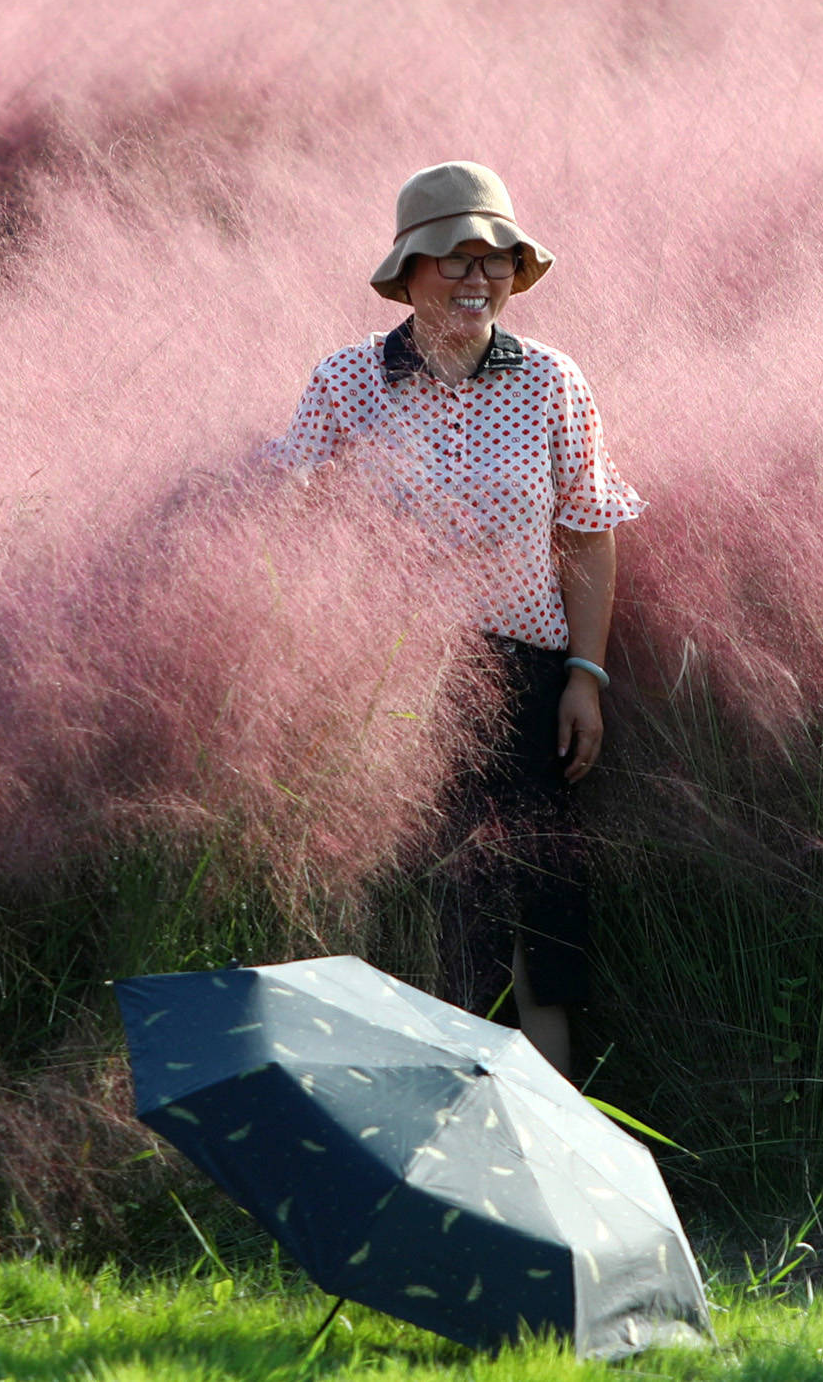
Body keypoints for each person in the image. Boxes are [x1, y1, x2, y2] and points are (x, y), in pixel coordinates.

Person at [265, 162, 643, 1076]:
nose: (478, 280)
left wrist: (585, 677)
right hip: (397, 681)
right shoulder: (348, 380)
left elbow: (588, 535)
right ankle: (440, 1124)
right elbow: (297, 523)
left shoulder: (553, 381)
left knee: (540, 904)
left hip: (528, 680)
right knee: (437, 904)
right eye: (454, 260)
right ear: (408, 271)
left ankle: (553, 1130)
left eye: (496, 261)